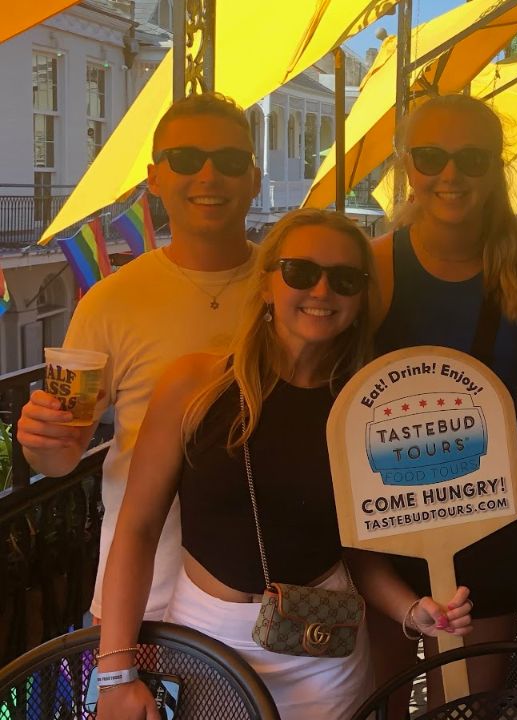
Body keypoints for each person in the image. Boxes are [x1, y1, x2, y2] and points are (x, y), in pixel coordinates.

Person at [96, 209, 473, 720]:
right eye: (301, 272)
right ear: (268, 283)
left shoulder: (363, 407)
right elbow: (137, 529)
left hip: (322, 644)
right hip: (207, 639)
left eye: (345, 280)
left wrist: (411, 609)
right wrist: (117, 672)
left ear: (361, 301)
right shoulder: (196, 385)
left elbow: (357, 549)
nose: (321, 290)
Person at [17, 93, 263, 622]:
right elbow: (61, 455)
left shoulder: (292, 293)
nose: (208, 176)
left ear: (254, 177)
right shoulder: (111, 301)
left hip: (265, 598)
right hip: (145, 598)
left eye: (229, 160)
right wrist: (41, 439)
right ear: (155, 177)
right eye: (185, 159)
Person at [369, 94, 517, 694]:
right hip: (385, 517)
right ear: (406, 166)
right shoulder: (373, 267)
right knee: (389, 701)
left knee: (476, 704)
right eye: (430, 157)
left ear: (495, 167)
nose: (450, 175)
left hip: (485, 513)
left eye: (472, 159)